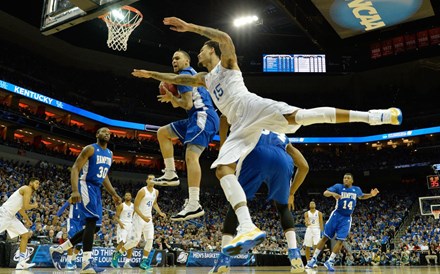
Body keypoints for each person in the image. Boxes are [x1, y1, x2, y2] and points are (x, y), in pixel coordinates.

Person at [132, 16, 402, 255]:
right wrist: (150, 74)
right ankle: (247, 226)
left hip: (254, 107)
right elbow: (180, 81)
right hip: (239, 126)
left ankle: (373, 116)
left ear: (210, 51)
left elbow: (225, 37)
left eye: (202, 49)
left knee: (302, 116)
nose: (199, 52)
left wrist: (190, 27)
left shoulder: (226, 63)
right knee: (222, 169)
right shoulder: (204, 78)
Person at [209, 129, 309, 273]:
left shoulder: (251, 122)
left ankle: (223, 261)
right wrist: (292, 193)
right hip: (282, 159)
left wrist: (224, 149)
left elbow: (224, 118)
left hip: (256, 154)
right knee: (283, 208)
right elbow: (304, 166)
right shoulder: (282, 135)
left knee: (235, 205)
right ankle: (295, 257)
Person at [153, 50, 219, 222]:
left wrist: (174, 98)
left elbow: (188, 104)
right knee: (163, 133)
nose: (174, 61)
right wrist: (173, 98)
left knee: (191, 155)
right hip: (194, 117)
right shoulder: (188, 75)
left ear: (187, 61)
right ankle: (170, 173)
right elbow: (186, 104)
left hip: (203, 115)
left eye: (177, 58)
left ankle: (194, 203)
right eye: (172, 59)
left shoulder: (184, 74)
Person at [49, 127, 122, 273]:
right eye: (103, 131)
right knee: (91, 221)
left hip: (97, 189)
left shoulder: (110, 154)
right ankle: (86, 262)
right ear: (97, 135)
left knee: (95, 227)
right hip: (85, 185)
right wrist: (75, 190)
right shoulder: (90, 149)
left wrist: (113, 193)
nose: (107, 134)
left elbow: (105, 176)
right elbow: (75, 168)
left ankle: (60, 249)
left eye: (109, 133)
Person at [306, 173, 379, 271]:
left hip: (347, 218)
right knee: (325, 238)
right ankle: (313, 259)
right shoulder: (338, 186)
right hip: (336, 215)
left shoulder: (356, 189)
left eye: (348, 178)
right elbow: (325, 193)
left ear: (352, 181)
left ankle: (330, 261)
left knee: (341, 240)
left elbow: (361, 197)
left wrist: (371, 195)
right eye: (344, 178)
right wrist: (333, 194)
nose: (346, 179)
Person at [111, 175, 166, 271]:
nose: (151, 180)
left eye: (153, 179)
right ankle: (118, 253)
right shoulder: (142, 191)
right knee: (134, 242)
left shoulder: (156, 192)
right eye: (149, 179)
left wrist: (160, 212)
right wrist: (143, 217)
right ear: (146, 181)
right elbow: (135, 207)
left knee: (150, 240)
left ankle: (143, 262)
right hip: (139, 219)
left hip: (148, 219)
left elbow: (154, 203)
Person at [0, 177, 40, 270]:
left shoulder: (27, 191)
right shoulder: (27, 188)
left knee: (25, 234)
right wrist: (34, 205)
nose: (38, 185)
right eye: (36, 183)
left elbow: (21, 208)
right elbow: (26, 206)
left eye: (39, 184)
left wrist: (27, 219)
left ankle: (21, 262)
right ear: (31, 183)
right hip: (4, 214)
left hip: (11, 216)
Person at [55, 197, 83, 270]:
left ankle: (73, 260)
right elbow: (65, 206)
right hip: (72, 222)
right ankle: (68, 262)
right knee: (71, 241)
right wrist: (57, 215)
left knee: (80, 244)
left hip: (81, 223)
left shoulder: (86, 199)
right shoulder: (74, 197)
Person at [111, 192, 134, 268]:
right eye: (126, 195)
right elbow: (116, 217)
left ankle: (127, 262)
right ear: (124, 197)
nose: (128, 196)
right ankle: (114, 261)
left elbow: (133, 216)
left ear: (131, 197)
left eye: (129, 195)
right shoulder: (121, 205)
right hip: (123, 225)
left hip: (130, 225)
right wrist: (120, 223)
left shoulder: (133, 206)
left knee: (130, 244)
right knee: (121, 243)